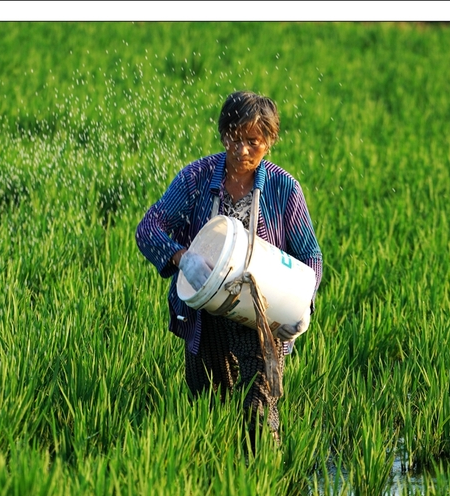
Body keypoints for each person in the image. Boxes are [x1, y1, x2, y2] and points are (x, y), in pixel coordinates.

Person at [135, 90, 322, 448]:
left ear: (269, 141)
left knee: (258, 414)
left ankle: (262, 480)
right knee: (208, 406)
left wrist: (304, 305)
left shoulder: (284, 189)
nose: (242, 151)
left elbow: (310, 254)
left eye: (253, 141)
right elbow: (149, 227)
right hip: (206, 313)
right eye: (234, 139)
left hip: (261, 315)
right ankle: (213, 479)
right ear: (223, 135)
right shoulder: (196, 178)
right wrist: (182, 258)